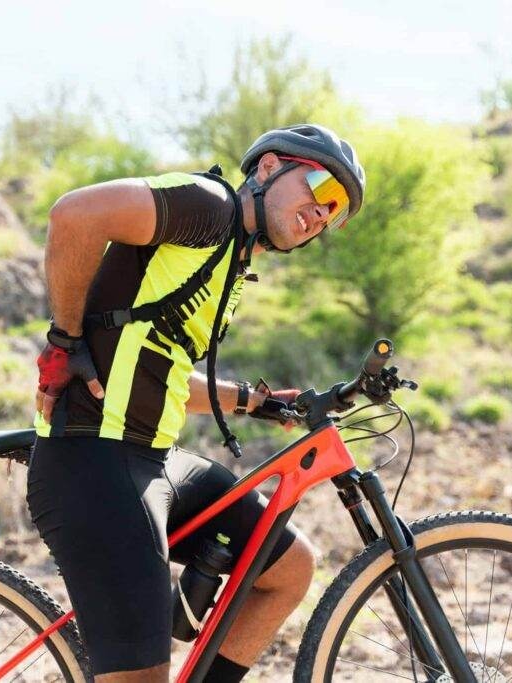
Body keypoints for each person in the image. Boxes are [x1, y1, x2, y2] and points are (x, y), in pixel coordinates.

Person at [28, 124, 365, 682]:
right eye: (320, 189)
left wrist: (257, 404)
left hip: (153, 459)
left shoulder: (229, 259)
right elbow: (74, 215)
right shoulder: (207, 208)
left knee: (286, 568)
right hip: (94, 461)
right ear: (268, 168)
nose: (322, 215)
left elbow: (163, 375)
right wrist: (64, 342)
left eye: (336, 214)